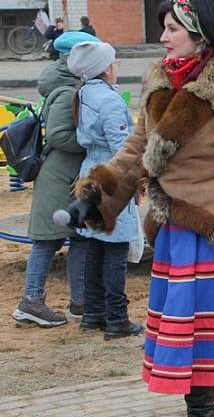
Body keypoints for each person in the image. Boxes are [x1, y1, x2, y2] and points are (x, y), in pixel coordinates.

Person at [71, 0, 214, 415]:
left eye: (172, 28)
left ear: (202, 34)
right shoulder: (160, 81)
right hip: (176, 225)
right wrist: (98, 194)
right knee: (188, 325)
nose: (163, 36)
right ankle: (200, 405)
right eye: (164, 27)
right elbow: (138, 147)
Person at [11, 32, 99, 328]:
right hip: (58, 178)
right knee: (47, 241)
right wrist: (90, 142)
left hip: (66, 176)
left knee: (79, 239)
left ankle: (80, 300)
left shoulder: (70, 84)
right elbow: (60, 135)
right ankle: (31, 301)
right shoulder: (66, 90)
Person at [67, 41, 142, 339]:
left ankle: (94, 313)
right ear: (104, 68)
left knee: (95, 246)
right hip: (110, 177)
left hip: (90, 174)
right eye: (114, 61)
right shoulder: (109, 101)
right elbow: (121, 148)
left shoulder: (85, 93)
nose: (117, 65)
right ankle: (116, 318)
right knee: (115, 249)